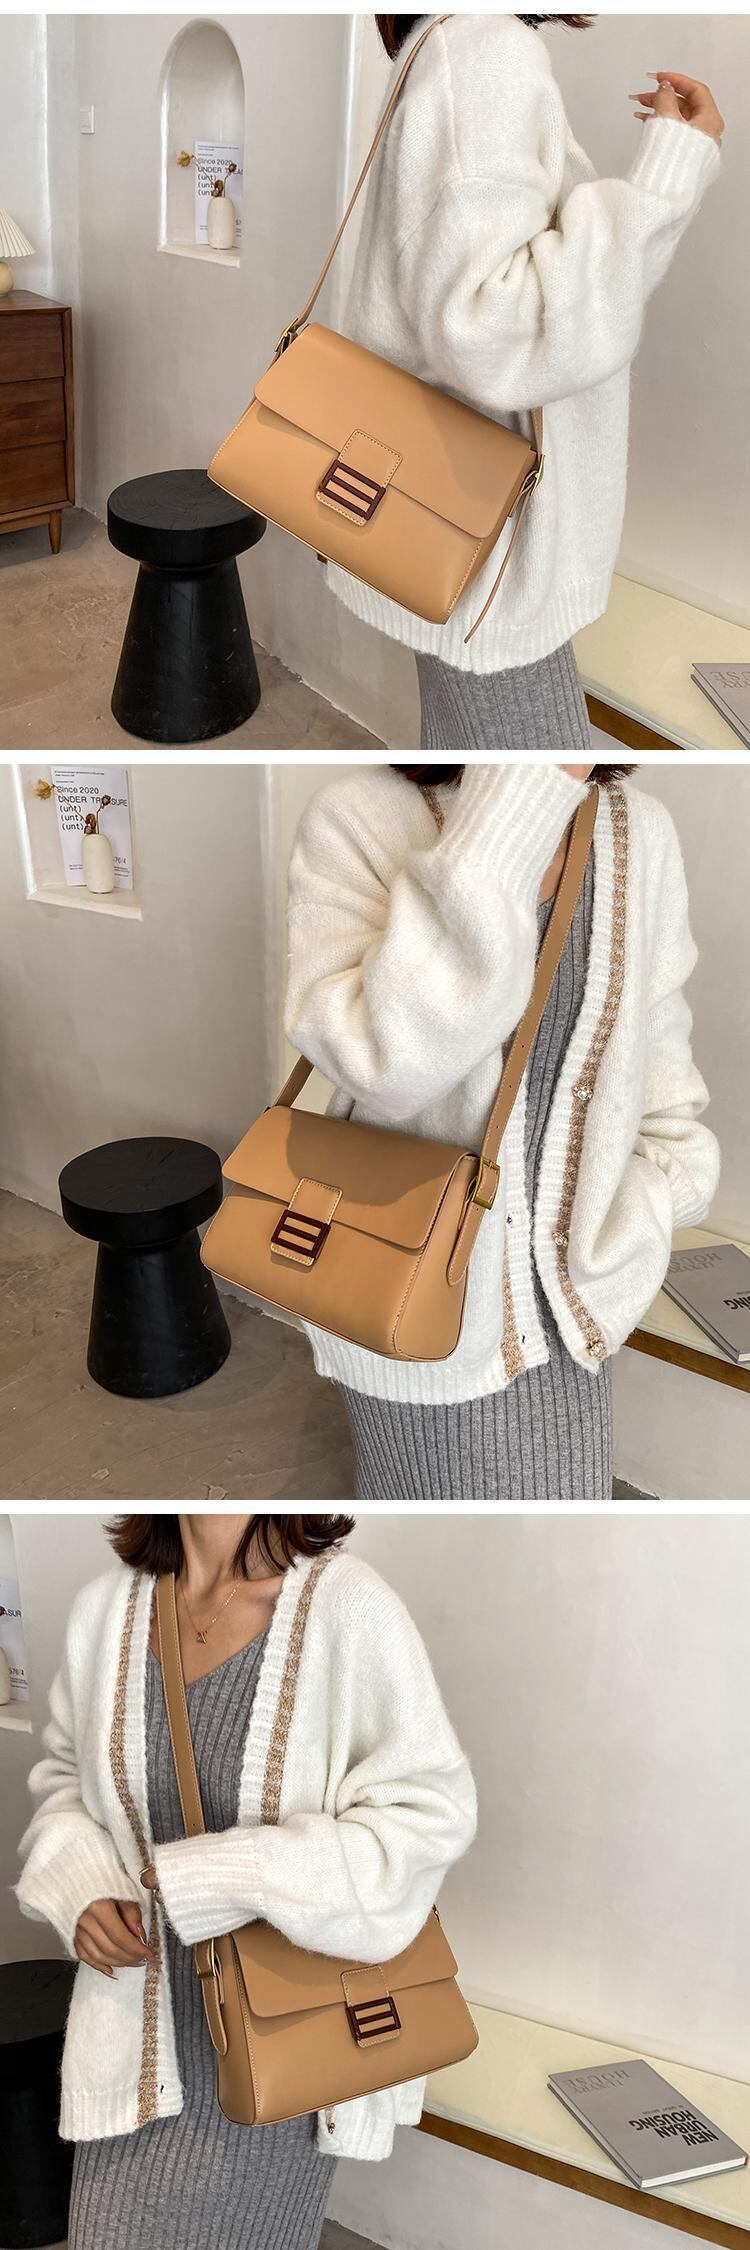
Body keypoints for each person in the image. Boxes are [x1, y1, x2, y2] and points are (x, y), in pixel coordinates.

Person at [17, 1512, 476, 2250]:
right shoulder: (105, 1609)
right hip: (131, 2045)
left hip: (283, 2052)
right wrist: (82, 1886)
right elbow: (65, 1778)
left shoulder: (350, 1608)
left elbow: (428, 1820)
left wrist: (226, 1875)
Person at [285, 763, 720, 1500]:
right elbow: (383, 1065)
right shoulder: (355, 816)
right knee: (411, 1498)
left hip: (578, 1312)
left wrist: (661, 1191)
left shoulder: (636, 828)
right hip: (407, 1297)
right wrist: (514, 805)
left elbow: (660, 1052)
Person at [326, 14, 724, 750]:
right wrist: (666, 178)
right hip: (494, 561)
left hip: (451, 532)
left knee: (462, 770)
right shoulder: (484, 50)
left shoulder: (448, 44)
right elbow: (493, 330)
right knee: (548, 792)